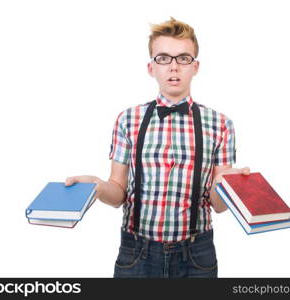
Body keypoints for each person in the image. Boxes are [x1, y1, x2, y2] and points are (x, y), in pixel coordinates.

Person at [65, 17, 251, 278]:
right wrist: (96, 186)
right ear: (151, 67)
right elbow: (118, 193)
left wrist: (227, 184)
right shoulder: (128, 119)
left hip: (197, 256)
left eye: (183, 58)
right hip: (136, 254)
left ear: (195, 67)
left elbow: (218, 206)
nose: (173, 67)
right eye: (163, 58)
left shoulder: (221, 124)